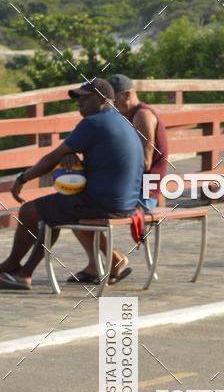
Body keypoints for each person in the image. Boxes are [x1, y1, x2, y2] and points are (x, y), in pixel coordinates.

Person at [0, 78, 143, 290]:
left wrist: (22, 178)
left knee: (29, 211)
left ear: (102, 99)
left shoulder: (93, 123)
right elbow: (104, 161)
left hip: (101, 203)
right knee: (51, 215)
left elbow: (52, 158)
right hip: (127, 204)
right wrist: (73, 157)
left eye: (84, 98)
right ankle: (23, 273)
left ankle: (14, 267)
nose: (79, 103)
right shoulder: (123, 121)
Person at [107, 73, 169, 212]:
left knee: (79, 206)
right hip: (132, 191)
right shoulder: (128, 115)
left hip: (142, 196)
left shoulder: (142, 116)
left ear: (127, 95)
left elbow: (145, 163)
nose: (111, 105)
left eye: (114, 100)